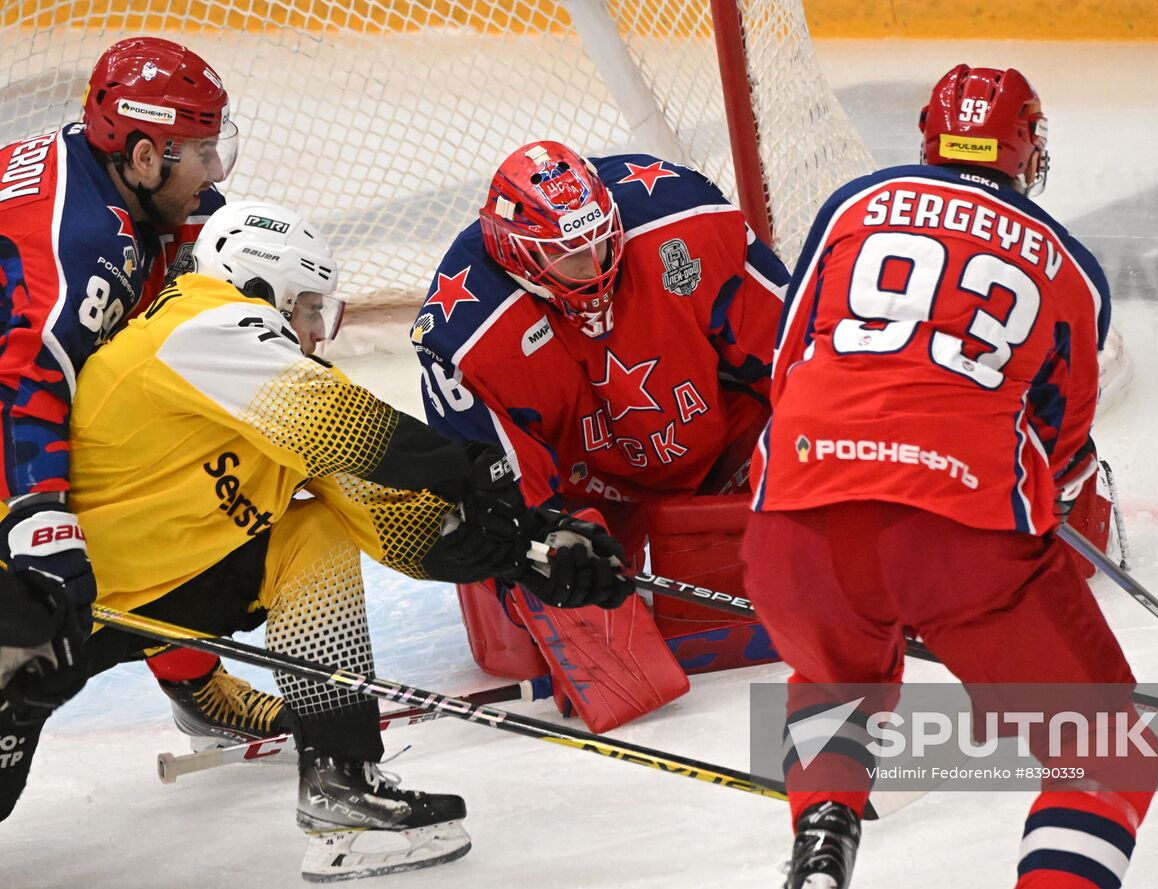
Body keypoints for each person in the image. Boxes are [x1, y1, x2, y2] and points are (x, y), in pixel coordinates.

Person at [0, 199, 630, 880]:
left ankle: (342, 783)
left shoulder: (273, 386)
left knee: (314, 529)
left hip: (138, 601)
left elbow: (391, 515)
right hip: (34, 602)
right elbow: (347, 425)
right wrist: (472, 468)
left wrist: (529, 552)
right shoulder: (202, 324)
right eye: (308, 310)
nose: (316, 333)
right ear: (263, 288)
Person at [743, 65, 1158, 888]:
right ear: (1028, 148)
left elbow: (784, 368)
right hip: (956, 532)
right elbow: (1060, 450)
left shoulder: (851, 207)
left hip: (791, 516)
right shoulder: (1070, 268)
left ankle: (823, 837)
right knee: (1108, 750)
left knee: (834, 683)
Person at [411, 141, 790, 727]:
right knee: (523, 559)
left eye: (602, 242)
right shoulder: (468, 333)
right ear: (520, 253)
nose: (596, 267)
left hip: (714, 449)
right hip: (584, 490)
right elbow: (497, 499)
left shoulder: (684, 217)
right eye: (570, 257)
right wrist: (541, 557)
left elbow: (795, 357)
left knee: (809, 430)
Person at [0, 36, 293, 750]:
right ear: (141, 156)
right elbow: (25, 386)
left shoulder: (120, 183)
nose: (216, 168)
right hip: (11, 389)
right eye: (199, 151)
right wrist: (40, 520)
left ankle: (190, 678)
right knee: (37, 623)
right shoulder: (81, 243)